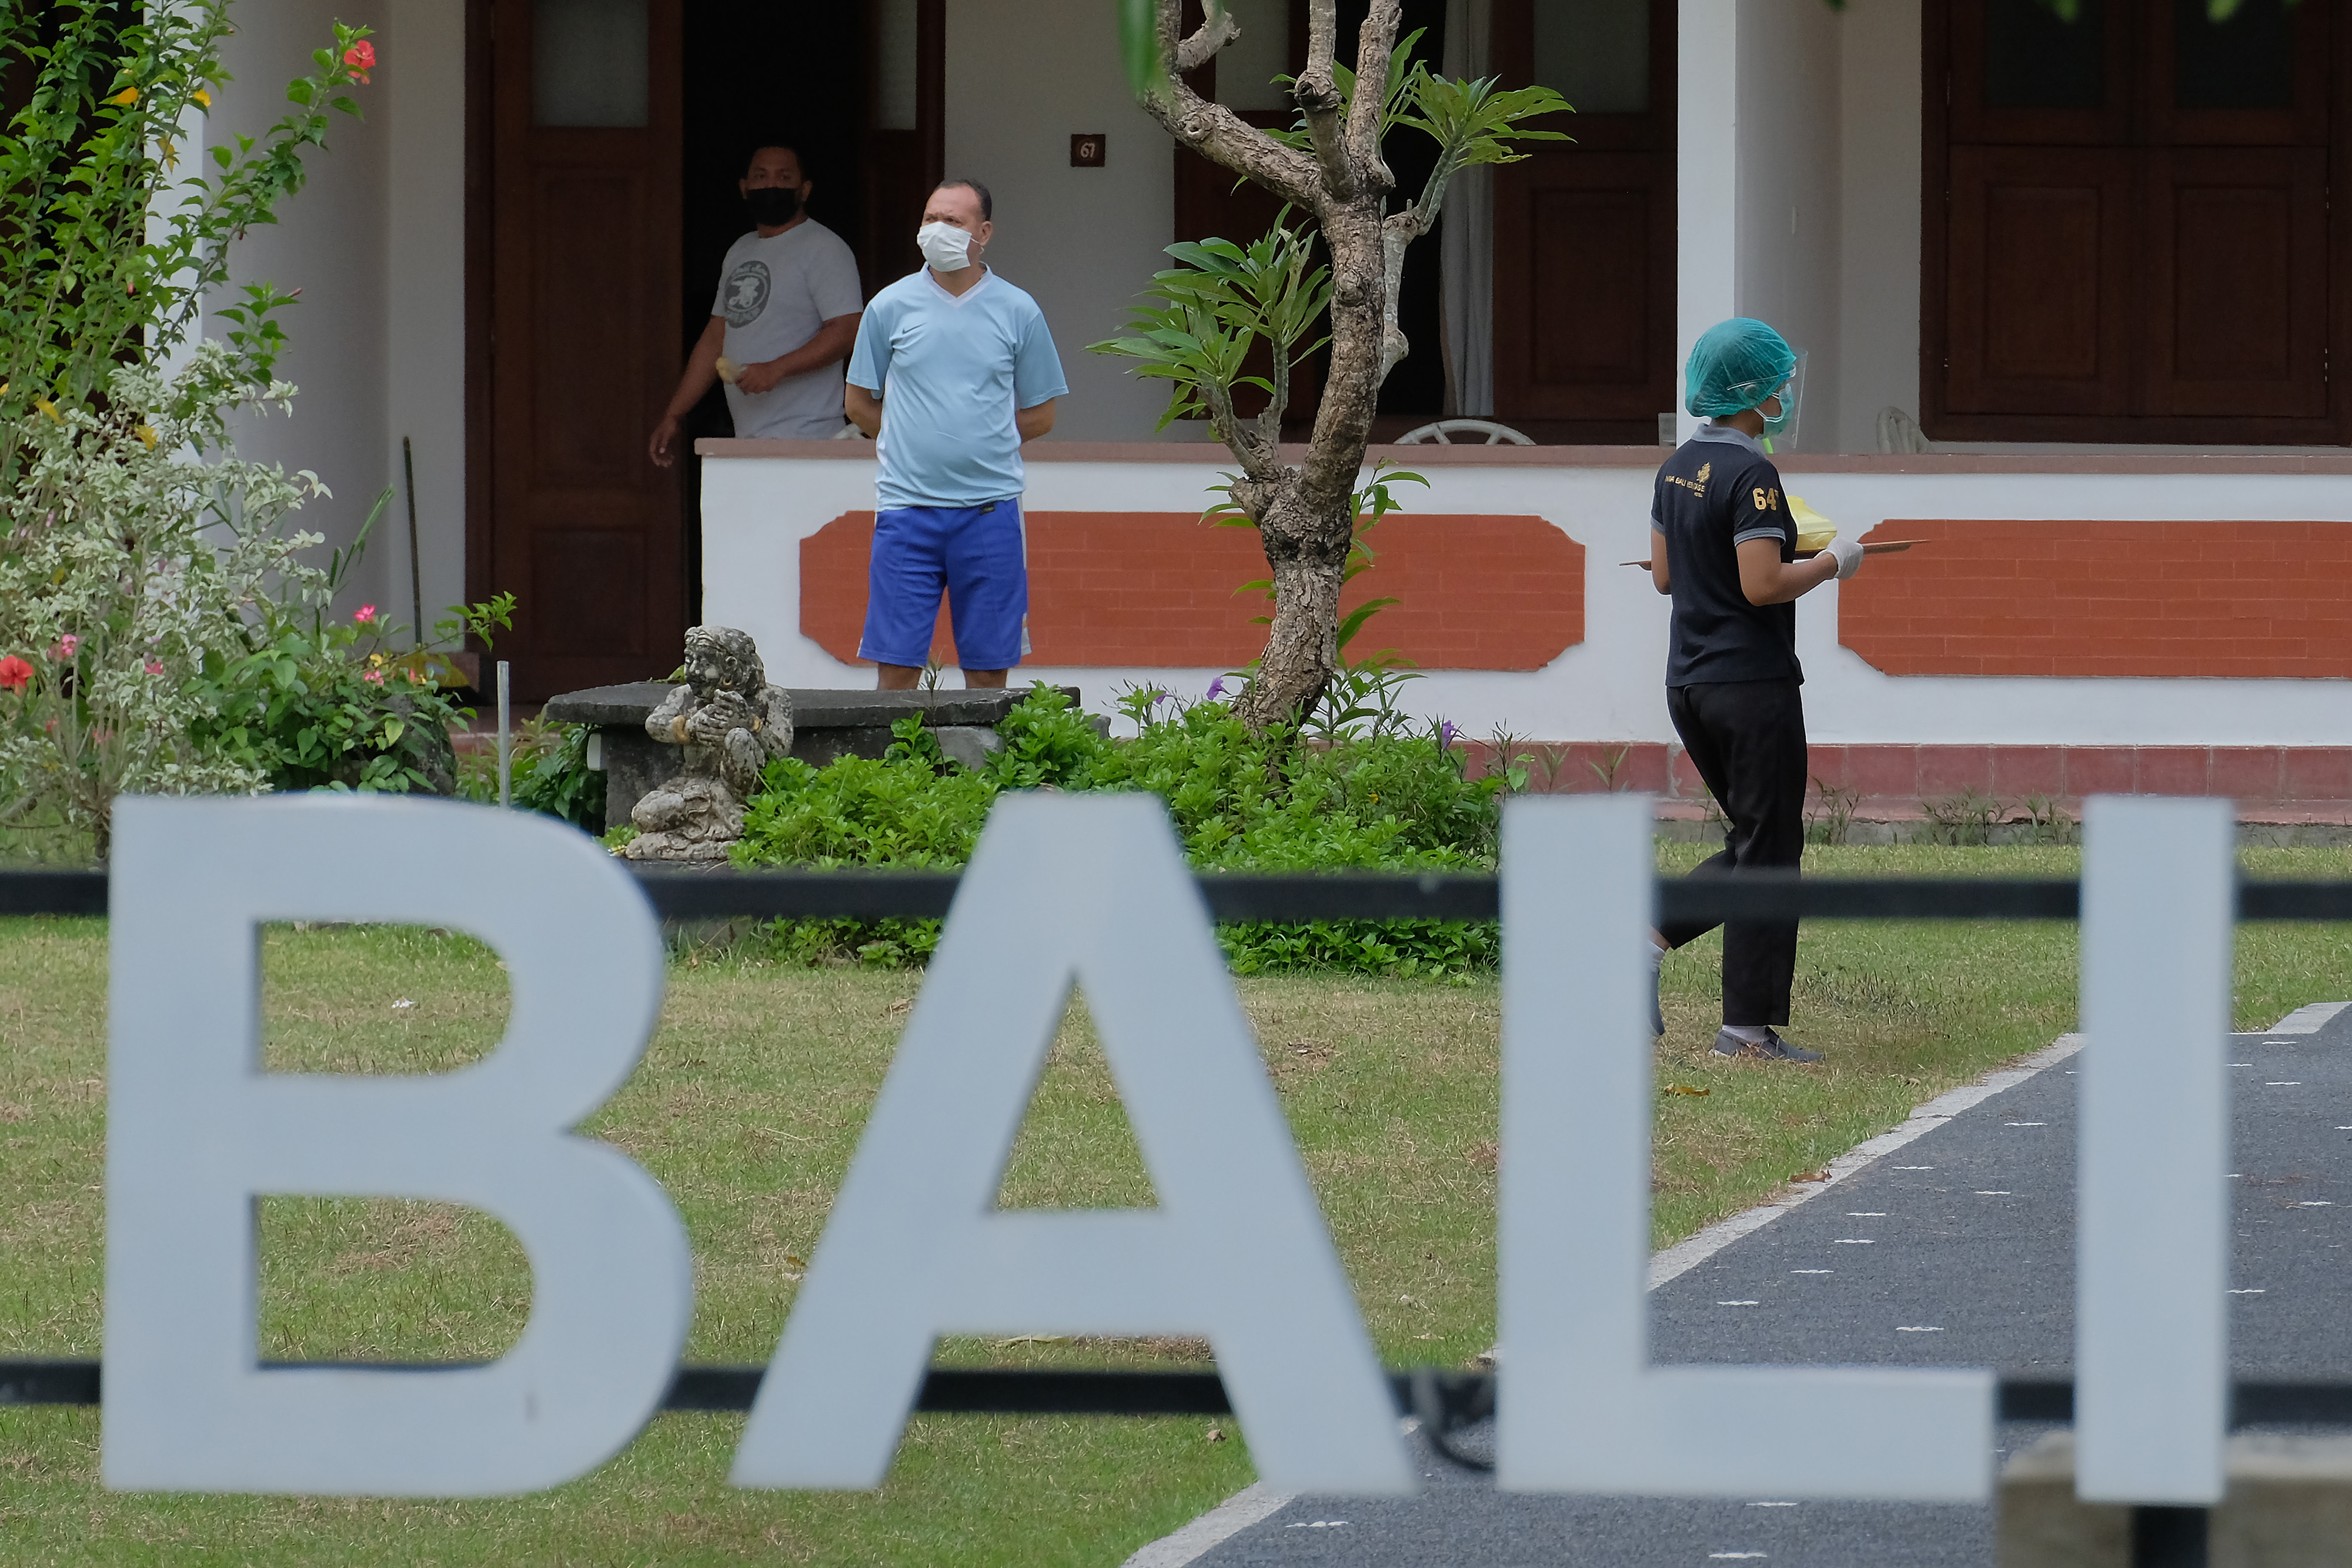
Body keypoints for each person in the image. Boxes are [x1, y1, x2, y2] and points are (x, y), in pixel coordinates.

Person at [1646, 318, 1865, 1062]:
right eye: (1781, 383)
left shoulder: (1676, 467)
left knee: (1753, 839)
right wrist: (1836, 561)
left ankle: (1645, 940)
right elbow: (1764, 583)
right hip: (1751, 684)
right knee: (1769, 850)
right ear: (1753, 392)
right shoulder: (1753, 476)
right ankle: (1742, 1029)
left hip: (1690, 684)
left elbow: (1666, 576)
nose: (1786, 394)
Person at [842, 179, 1066, 690]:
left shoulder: (1018, 310)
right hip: (906, 510)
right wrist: (911, 433)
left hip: (990, 511)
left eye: (954, 222)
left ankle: (981, 769)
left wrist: (980, 439)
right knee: (896, 664)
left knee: (989, 669)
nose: (937, 231)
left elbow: (1042, 414)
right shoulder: (889, 306)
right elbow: (858, 404)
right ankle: (893, 768)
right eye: (929, 219)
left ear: (983, 233)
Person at [648, 143, 864, 463]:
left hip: (807, 437)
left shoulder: (825, 248)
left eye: (784, 176)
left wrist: (777, 369)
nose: (771, 185)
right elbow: (715, 337)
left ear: (804, 190)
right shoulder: (740, 250)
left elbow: (846, 331)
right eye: (760, 176)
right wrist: (675, 413)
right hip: (747, 439)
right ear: (744, 188)